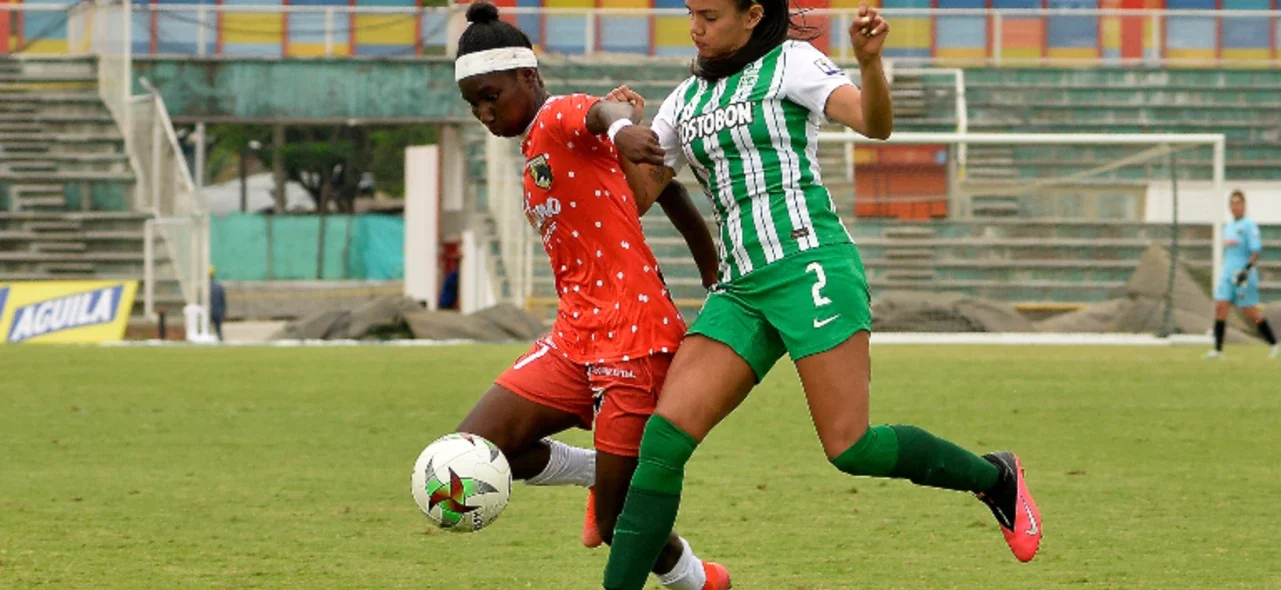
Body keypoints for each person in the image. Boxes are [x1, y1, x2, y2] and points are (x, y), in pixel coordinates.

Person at [597, 2, 1043, 587]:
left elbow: (875, 124)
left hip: (811, 267)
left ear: (754, 13)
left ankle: (996, 479)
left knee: (849, 447)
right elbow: (638, 198)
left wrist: (869, 63)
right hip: (740, 289)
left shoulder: (792, 64)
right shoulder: (682, 102)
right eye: (690, 13)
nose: (695, 27)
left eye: (709, 14)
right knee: (663, 440)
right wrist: (621, 130)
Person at [449, 4, 729, 590]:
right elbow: (664, 190)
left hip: (633, 336)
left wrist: (622, 124)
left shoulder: (556, 117)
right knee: (476, 449)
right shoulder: (536, 151)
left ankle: (699, 582)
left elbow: (602, 111)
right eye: (473, 103)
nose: (483, 112)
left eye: (490, 95)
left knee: (611, 524)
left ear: (526, 77)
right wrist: (708, 265)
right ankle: (597, 470)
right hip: (575, 337)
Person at [1206, 189, 1278, 359]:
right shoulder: (1229, 226)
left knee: (1250, 313)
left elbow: (1256, 251)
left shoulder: (1249, 226)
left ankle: (1274, 344)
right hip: (1228, 274)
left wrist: (1246, 271)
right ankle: (1217, 350)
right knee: (1220, 307)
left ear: (1244, 205)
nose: (1235, 206)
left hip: (1243, 276)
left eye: (1238, 203)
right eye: (1232, 203)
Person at [209, 266, 226, 342]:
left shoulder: (204, 286)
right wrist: (223, 312)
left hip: (209, 312)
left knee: (207, 330)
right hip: (218, 312)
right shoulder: (219, 286)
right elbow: (223, 301)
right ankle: (220, 340)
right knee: (218, 331)